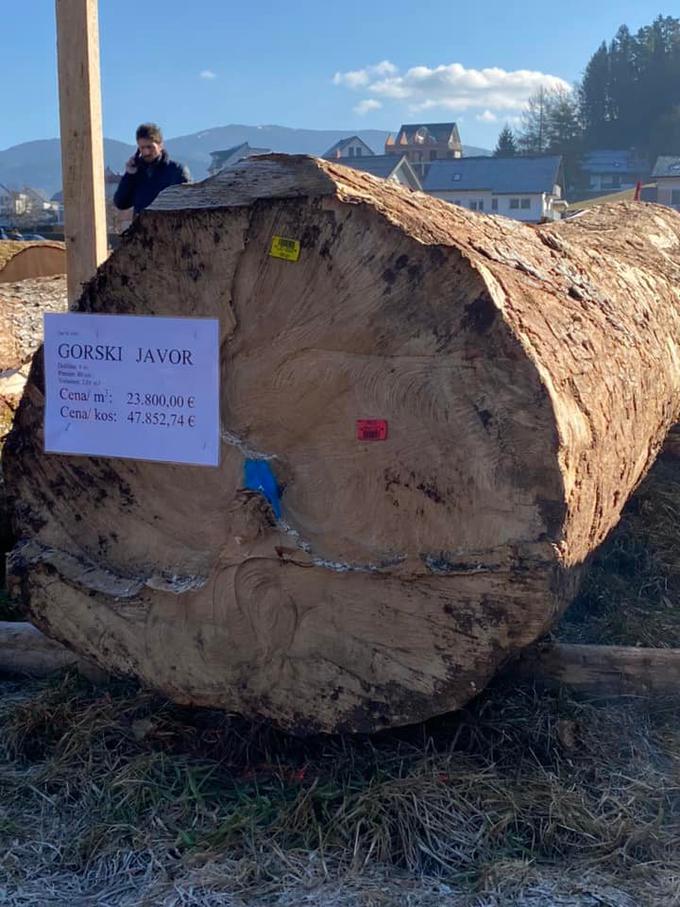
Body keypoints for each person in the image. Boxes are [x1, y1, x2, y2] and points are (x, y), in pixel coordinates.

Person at [113, 123, 190, 215]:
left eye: (150, 147)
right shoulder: (137, 172)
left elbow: (186, 204)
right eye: (142, 148)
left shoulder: (177, 171)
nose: (146, 152)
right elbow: (121, 203)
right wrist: (129, 175)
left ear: (160, 145)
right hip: (142, 227)